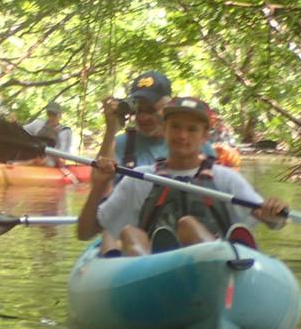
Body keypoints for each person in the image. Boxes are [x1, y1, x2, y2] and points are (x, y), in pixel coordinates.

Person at [78, 97, 289, 257]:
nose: (182, 135)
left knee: (188, 226)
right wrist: (99, 187)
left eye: (192, 129)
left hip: (214, 269)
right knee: (130, 234)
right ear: (164, 129)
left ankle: (223, 256)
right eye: (175, 127)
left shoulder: (225, 179)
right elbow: (85, 232)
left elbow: (275, 222)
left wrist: (273, 213)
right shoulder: (139, 179)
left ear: (205, 135)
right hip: (153, 274)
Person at [99, 71, 215, 170]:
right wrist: (110, 131)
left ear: (167, 106)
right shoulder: (120, 144)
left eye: (150, 110)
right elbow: (100, 183)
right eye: (138, 110)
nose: (142, 117)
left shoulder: (194, 143)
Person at [22, 101, 73, 167]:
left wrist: (45, 159)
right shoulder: (38, 124)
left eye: (54, 114)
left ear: (60, 115)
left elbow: (63, 157)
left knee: (48, 163)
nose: (51, 117)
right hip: (33, 156)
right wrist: (14, 123)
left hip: (50, 161)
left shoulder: (65, 132)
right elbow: (21, 132)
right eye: (49, 114)